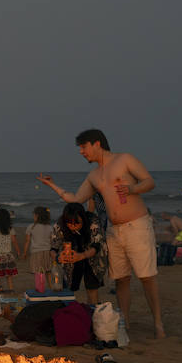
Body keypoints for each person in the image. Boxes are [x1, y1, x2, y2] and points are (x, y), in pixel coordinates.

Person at [38, 128, 165, 338]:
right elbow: (76, 199)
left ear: (96, 144)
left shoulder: (124, 159)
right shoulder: (94, 175)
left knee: (147, 277)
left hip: (137, 225)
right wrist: (52, 185)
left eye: (83, 146)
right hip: (114, 231)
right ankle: (124, 322)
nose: (81, 152)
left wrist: (132, 189)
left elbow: (149, 181)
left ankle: (158, 324)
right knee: (121, 279)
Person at [53, 203, 107, 305]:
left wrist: (81, 256)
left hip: (93, 258)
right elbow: (53, 248)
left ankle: (93, 310)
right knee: (68, 288)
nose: (73, 226)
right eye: (70, 224)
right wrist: (58, 257)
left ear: (83, 218)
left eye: (77, 223)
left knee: (92, 288)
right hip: (70, 257)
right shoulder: (60, 225)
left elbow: (97, 246)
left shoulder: (93, 222)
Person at [0, 208, 21, 293]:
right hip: (8, 256)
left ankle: (0, 287)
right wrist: (18, 251)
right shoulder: (10, 229)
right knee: (9, 275)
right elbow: (14, 241)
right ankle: (11, 290)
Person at [26, 206, 55, 292]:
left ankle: (40, 289)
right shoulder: (50, 227)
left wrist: (24, 253)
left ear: (37, 216)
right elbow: (52, 241)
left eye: (34, 215)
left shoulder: (31, 227)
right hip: (47, 252)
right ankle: (51, 287)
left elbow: (27, 241)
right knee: (48, 271)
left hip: (36, 253)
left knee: (39, 272)